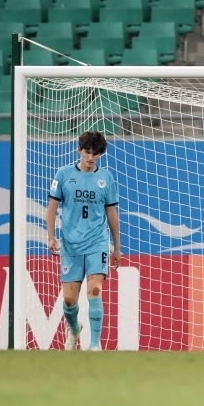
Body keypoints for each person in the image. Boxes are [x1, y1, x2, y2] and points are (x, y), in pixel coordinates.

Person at [46, 131, 122, 351]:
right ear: (79, 150)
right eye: (87, 152)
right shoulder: (63, 174)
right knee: (70, 301)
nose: (91, 157)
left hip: (97, 242)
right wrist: (50, 236)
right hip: (70, 245)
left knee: (95, 291)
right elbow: (52, 209)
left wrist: (117, 246)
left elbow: (111, 214)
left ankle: (95, 345)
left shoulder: (106, 178)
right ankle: (74, 328)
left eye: (95, 154)